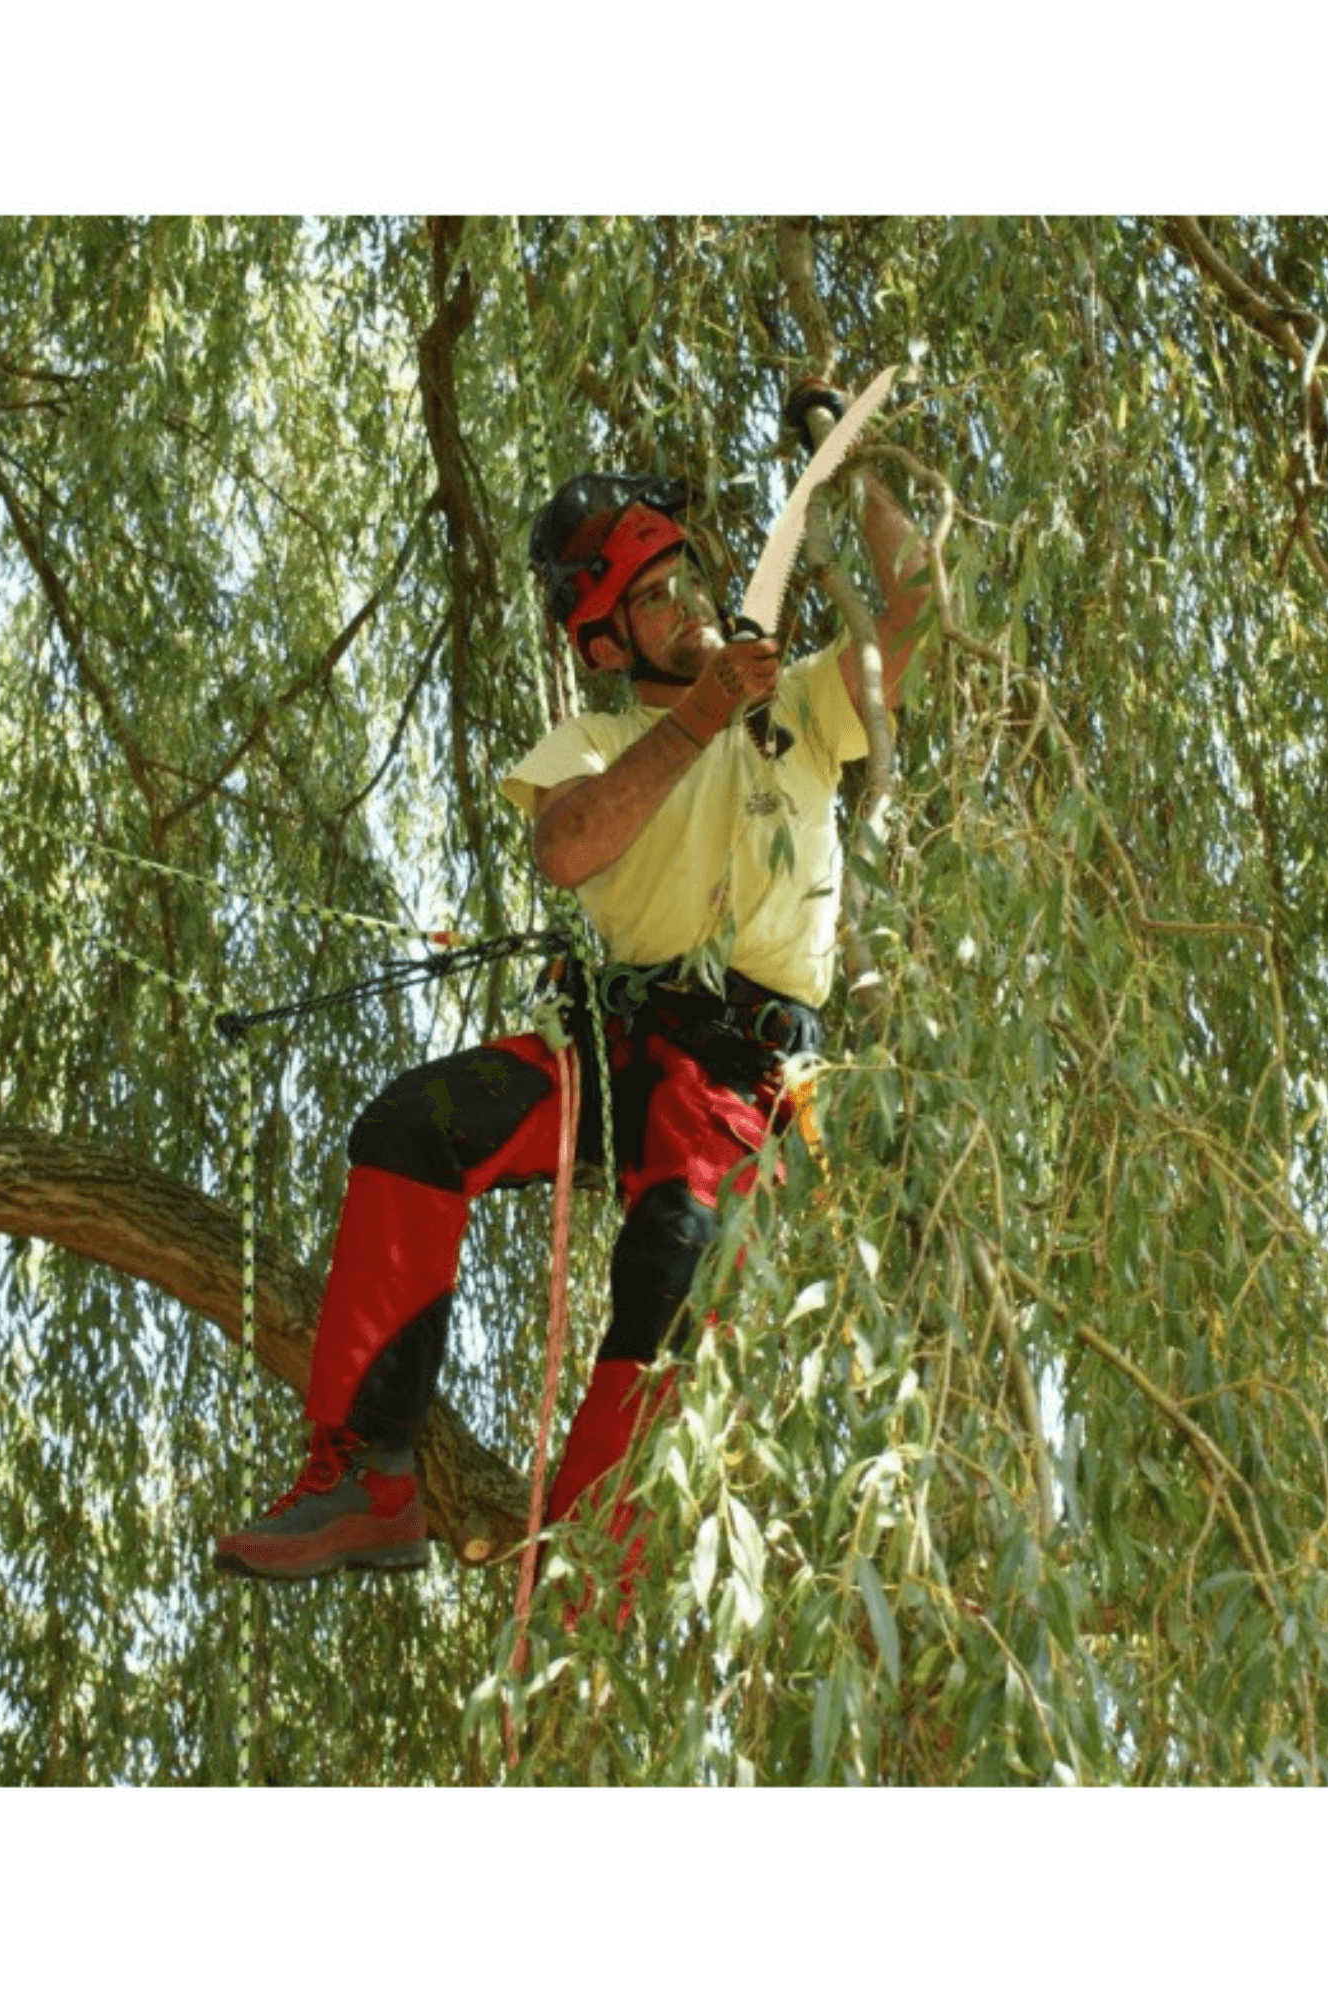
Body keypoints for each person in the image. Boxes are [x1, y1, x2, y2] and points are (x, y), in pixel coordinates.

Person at [214, 399, 928, 1587]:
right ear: (604, 644)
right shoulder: (589, 743)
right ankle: (365, 1475)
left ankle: (592, 1560)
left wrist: (848, 473)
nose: (688, 604)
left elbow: (917, 614)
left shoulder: (799, 706)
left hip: (740, 1069)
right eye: (650, 597)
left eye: (685, 577)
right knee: (410, 1125)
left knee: (670, 1255)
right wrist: (699, 715)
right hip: (614, 1038)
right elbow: (568, 847)